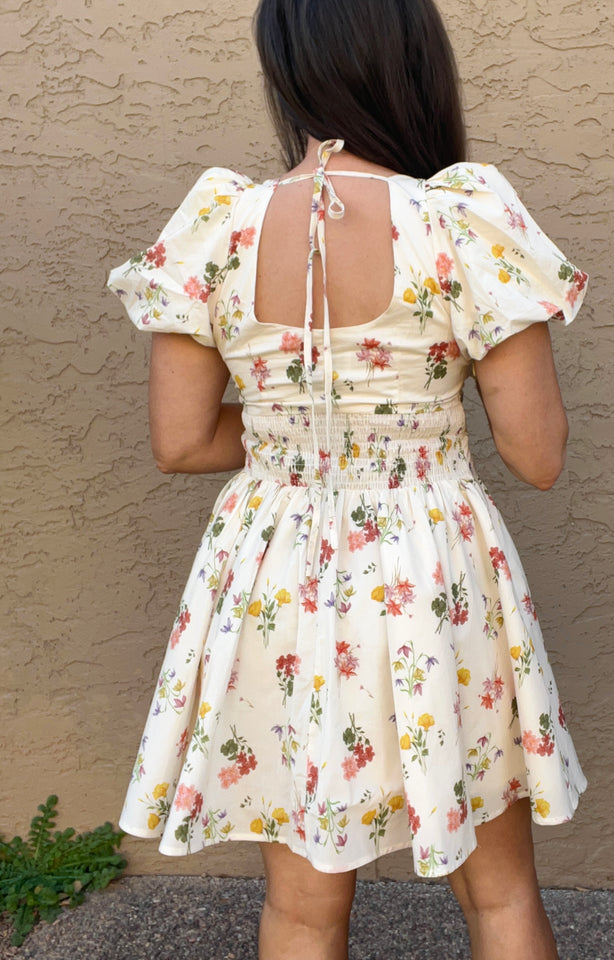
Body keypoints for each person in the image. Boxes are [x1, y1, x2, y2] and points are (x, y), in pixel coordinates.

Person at [107, 1, 589, 957]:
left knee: (300, 908)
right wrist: (407, 420)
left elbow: (181, 441)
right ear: (412, 64)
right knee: (499, 896)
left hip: (273, 569)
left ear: (286, 71)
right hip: (431, 563)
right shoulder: (459, 220)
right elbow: (537, 456)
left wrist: (294, 433)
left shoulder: (218, 227)